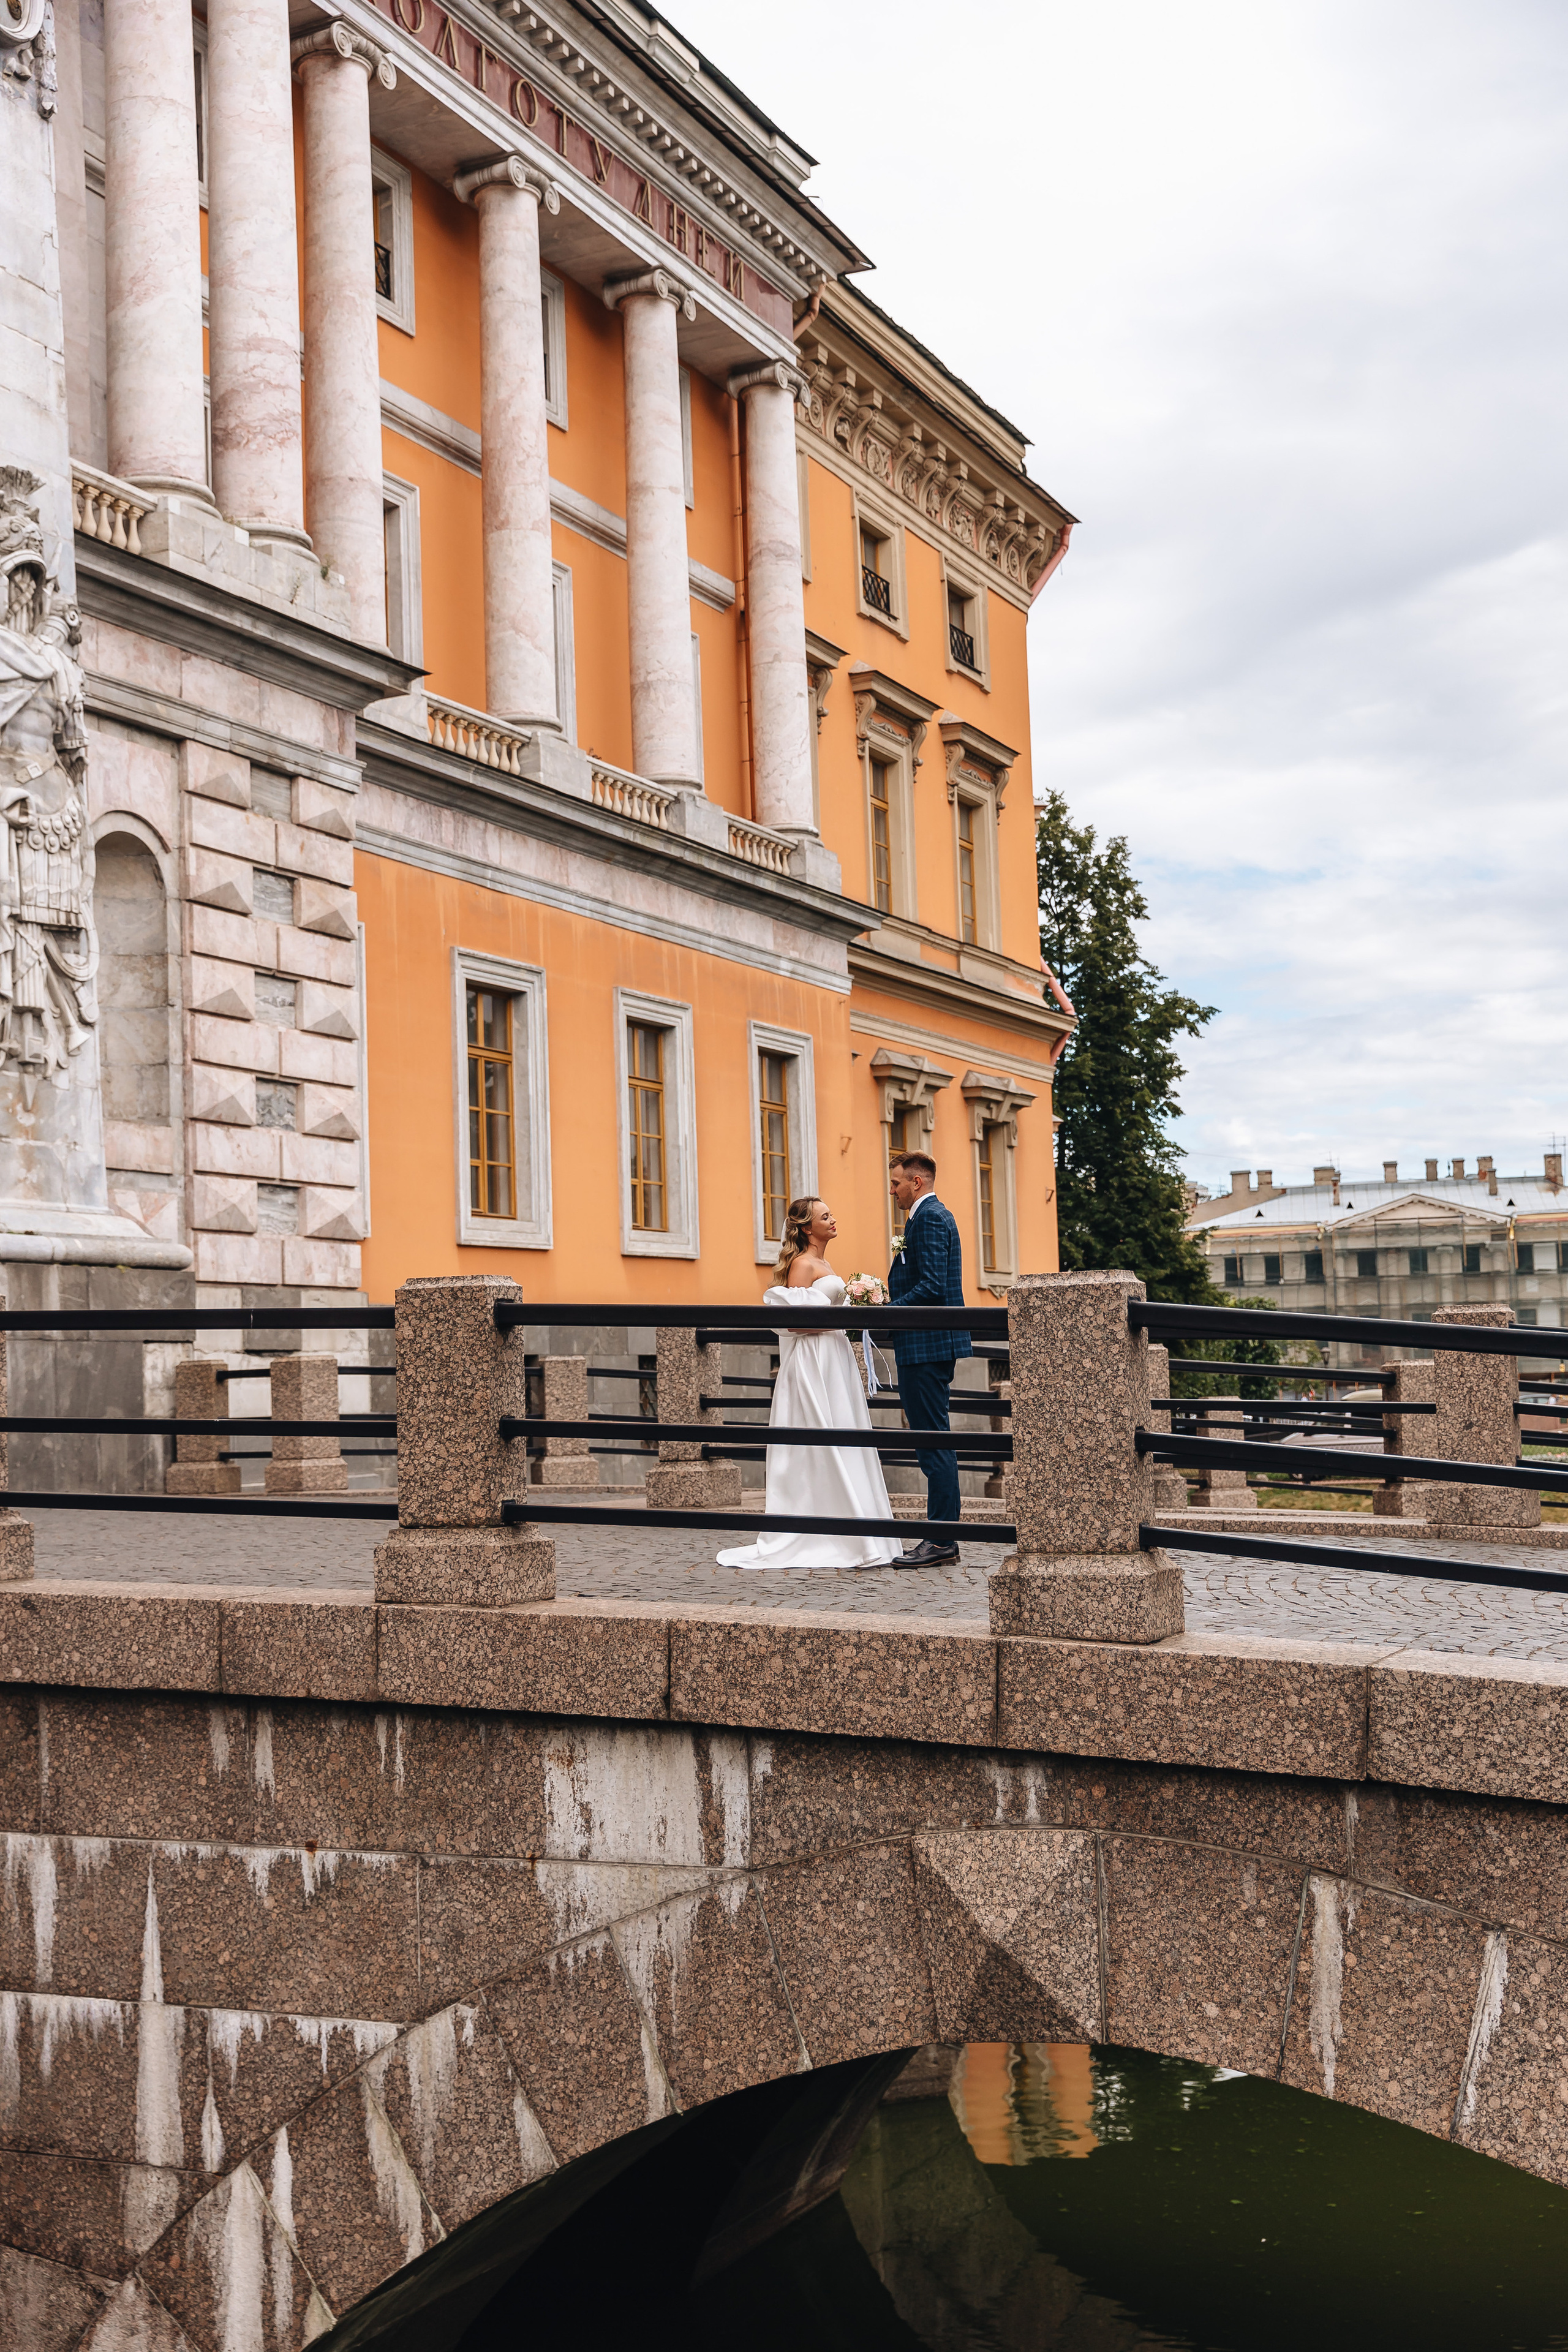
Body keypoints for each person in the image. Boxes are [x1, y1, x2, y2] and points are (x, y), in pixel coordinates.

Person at [715, 1195, 904, 1570]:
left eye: (832, 1214)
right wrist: (845, 1321)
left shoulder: (825, 1263)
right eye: (825, 1217)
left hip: (833, 1358)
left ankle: (854, 1523)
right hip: (813, 1361)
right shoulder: (802, 1265)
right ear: (806, 1228)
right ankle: (824, 1529)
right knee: (819, 1435)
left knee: (844, 1432)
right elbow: (797, 1324)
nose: (834, 1220)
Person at [888, 1152, 971, 1566]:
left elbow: (934, 1287)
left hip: (927, 1345)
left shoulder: (932, 1217)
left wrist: (887, 1311)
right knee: (932, 1441)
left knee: (933, 1441)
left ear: (917, 1182)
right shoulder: (922, 1218)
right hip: (924, 1343)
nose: (893, 1190)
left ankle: (941, 1539)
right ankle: (942, 1536)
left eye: (897, 1183)